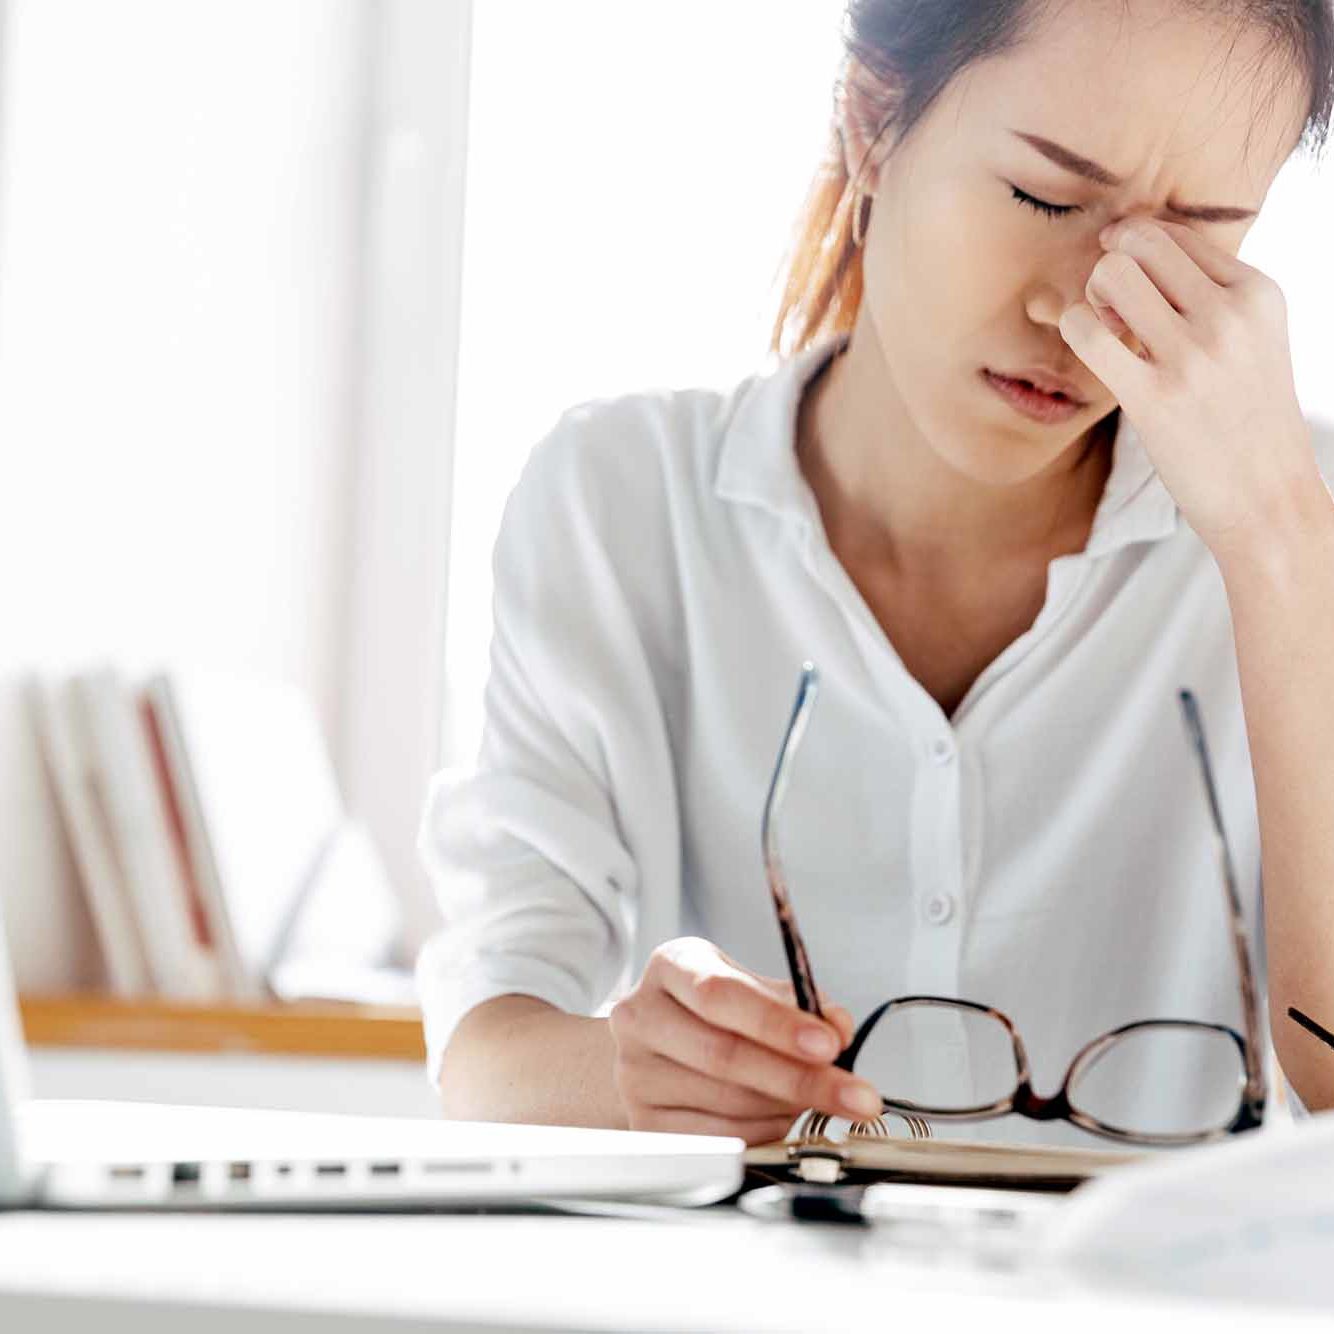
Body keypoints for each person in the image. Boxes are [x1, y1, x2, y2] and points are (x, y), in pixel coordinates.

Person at [416, 0, 1334, 1149]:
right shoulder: (620, 503)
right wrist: (626, 1070)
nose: (1079, 313)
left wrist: (1283, 555)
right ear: (870, 117)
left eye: (1193, 237)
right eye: (1043, 198)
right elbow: (485, 1047)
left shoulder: (1303, 524)